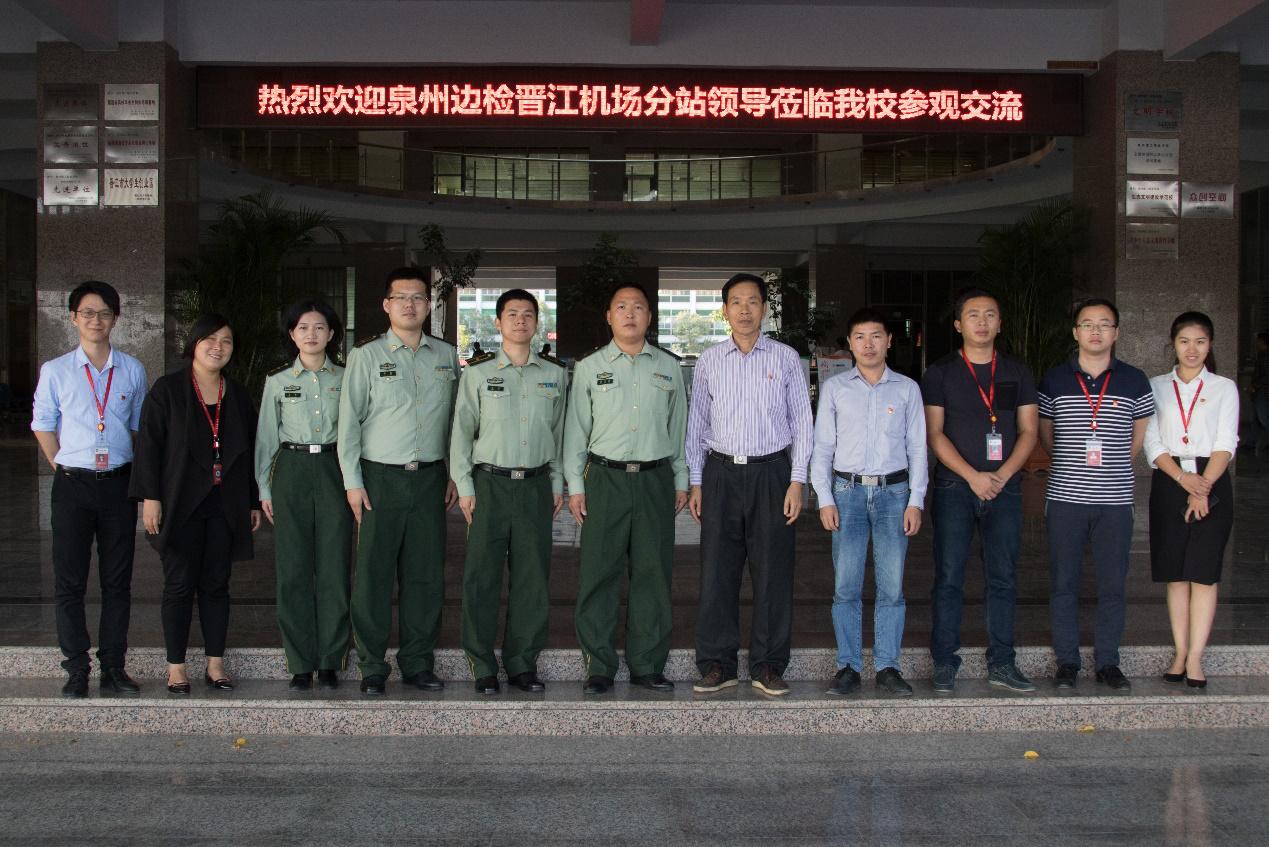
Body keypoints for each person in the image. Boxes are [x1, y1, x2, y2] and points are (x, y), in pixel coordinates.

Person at [686, 272, 813, 696]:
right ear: (725, 310)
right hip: (720, 473)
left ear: (765, 308)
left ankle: (768, 665)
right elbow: (696, 425)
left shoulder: (785, 358)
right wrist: (697, 481)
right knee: (716, 572)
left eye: (753, 301)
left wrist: (797, 481)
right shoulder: (709, 360)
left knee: (773, 571)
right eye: (737, 302)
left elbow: (803, 424)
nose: (745, 310)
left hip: (772, 473)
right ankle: (717, 664)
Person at [338, 267, 459, 695]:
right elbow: (349, 422)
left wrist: (452, 472)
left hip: (430, 479)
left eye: (418, 298)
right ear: (386, 305)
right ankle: (372, 665)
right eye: (402, 298)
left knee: (425, 576)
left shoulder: (446, 355)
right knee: (373, 575)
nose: (410, 305)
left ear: (429, 306)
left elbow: (455, 422)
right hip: (379, 478)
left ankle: (417, 662)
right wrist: (352, 482)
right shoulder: (366, 356)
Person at [566, 283, 689, 695]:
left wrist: (681, 480)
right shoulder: (589, 367)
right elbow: (575, 431)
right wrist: (575, 485)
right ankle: (598, 666)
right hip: (605, 479)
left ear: (650, 317)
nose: (630, 314)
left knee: (653, 572)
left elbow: (679, 428)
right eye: (621, 307)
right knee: (599, 573)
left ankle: (647, 664)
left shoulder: (669, 366)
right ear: (609, 316)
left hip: (655, 479)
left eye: (638, 307)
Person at [131, 314, 262, 695]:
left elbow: (250, 451)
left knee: (217, 584)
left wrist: (252, 500)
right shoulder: (168, 390)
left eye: (226, 341)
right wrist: (151, 498)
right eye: (210, 340)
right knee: (179, 584)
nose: (218, 347)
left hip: (225, 503)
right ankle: (176, 667)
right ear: (194, 344)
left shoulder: (237, 394)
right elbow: (149, 446)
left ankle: (215, 664)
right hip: (179, 502)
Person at [31, 281, 149, 698]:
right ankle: (76, 668)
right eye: (87, 313)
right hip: (72, 486)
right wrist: (62, 464)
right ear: (73, 318)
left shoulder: (132, 369)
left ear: (116, 319)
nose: (96, 320)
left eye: (104, 313)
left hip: (118, 486)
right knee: (70, 583)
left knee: (117, 583)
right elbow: (42, 423)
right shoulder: (56, 370)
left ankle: (113, 667)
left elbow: (140, 428)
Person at [922, 288, 1039, 693]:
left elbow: (1029, 430)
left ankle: (1003, 662)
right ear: (959, 324)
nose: (982, 321)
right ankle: (944, 661)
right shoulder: (940, 372)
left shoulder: (1018, 372)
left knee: (1003, 577)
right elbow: (934, 434)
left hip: (1005, 489)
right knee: (949, 577)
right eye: (973, 314)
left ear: (1000, 324)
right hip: (955, 487)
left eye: (990, 314)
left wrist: (1002, 475)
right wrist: (973, 476)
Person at [451, 289, 567, 695]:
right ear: (498, 323)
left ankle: (522, 663)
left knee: (532, 578)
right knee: (482, 577)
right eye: (512, 314)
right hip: (489, 484)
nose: (521, 320)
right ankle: (482, 665)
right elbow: (461, 432)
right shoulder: (478, 373)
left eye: (528, 314)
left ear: (537, 323)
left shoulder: (554, 373)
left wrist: (557, 482)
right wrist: (464, 485)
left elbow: (559, 433)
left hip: (535, 485)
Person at [1037, 299, 1154, 692]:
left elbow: (1137, 439)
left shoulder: (1135, 380)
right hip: (1066, 500)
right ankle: (1067, 662)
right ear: (1076, 332)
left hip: (1115, 501)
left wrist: (1111, 465)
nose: (1096, 331)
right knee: (1063, 583)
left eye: (1105, 324)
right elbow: (1047, 436)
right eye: (1087, 324)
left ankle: (1108, 662)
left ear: (1116, 333)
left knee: (1113, 585)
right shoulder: (1054, 380)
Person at [810, 308, 927, 697]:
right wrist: (824, 498)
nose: (868, 344)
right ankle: (848, 666)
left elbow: (918, 448)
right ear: (849, 343)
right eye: (860, 337)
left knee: (891, 586)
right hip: (848, 493)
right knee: (846, 585)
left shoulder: (907, 388)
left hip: (895, 494)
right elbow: (822, 448)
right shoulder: (836, 388)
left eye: (876, 336)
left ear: (889, 341)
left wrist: (916, 499)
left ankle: (888, 666)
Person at [255, 299, 352, 692]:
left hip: (334, 468)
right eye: (303, 328)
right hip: (291, 470)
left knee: (334, 568)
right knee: (293, 570)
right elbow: (266, 438)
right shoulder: (277, 381)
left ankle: (330, 659)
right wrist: (264, 487)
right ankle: (299, 662)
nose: (311, 334)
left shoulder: (347, 377)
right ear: (292, 335)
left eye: (319, 327)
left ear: (332, 334)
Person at [1143, 311, 1238, 689]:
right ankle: (1180, 652)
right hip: (1170, 482)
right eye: (1184, 341)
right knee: (1176, 573)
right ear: (1173, 343)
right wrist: (1185, 480)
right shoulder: (1155, 386)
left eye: (1200, 341)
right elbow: (1152, 441)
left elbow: (1226, 441)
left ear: (1210, 345)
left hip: (1212, 479)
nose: (1192, 349)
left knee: (1203, 572)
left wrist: (1203, 487)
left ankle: (1196, 656)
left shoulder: (1224, 387)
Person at [1245, 332, 1269, 455]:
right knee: (1256, 420)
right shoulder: (1261, 356)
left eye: (1257, 342)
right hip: (1259, 393)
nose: (1255, 344)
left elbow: (1266, 376)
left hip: (1263, 393)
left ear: (1262, 343)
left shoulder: (1265, 357)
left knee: (1263, 418)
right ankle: (1251, 443)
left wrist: (1254, 386)